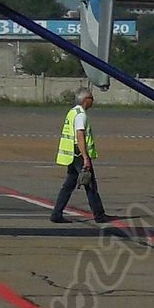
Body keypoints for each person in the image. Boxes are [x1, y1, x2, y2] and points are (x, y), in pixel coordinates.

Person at [50, 88, 110, 224]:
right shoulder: (81, 115)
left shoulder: (72, 112)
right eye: (92, 98)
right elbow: (80, 135)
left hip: (72, 154)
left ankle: (56, 213)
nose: (93, 101)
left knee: (68, 186)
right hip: (78, 154)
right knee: (90, 186)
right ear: (86, 100)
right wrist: (86, 158)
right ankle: (99, 216)